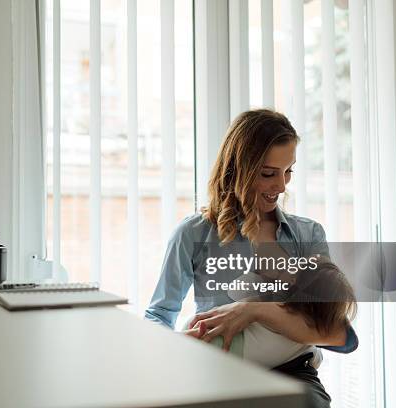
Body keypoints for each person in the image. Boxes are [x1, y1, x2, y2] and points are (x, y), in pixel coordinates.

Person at [145, 109, 358, 408]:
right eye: (269, 174)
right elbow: (158, 316)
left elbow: (338, 334)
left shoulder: (307, 234)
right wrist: (181, 346)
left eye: (288, 172)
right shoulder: (192, 234)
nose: (282, 186)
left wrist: (254, 310)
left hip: (292, 376)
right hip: (219, 372)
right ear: (238, 169)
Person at [184, 260, 357, 368]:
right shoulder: (303, 339)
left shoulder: (278, 307)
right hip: (220, 350)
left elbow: (235, 289)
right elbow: (344, 343)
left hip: (206, 332)